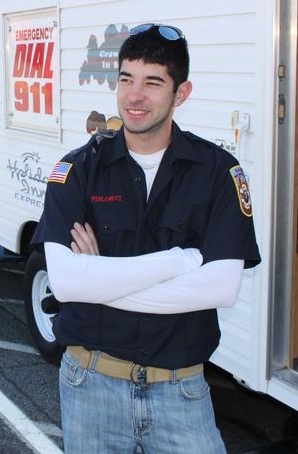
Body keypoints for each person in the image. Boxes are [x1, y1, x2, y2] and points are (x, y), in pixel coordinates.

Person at [32, 23, 260, 453]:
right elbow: (65, 283)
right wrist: (179, 261)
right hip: (91, 385)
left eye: (153, 82)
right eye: (126, 79)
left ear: (182, 93)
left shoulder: (219, 173)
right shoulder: (78, 169)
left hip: (182, 391)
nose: (134, 96)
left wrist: (98, 278)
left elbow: (221, 288)